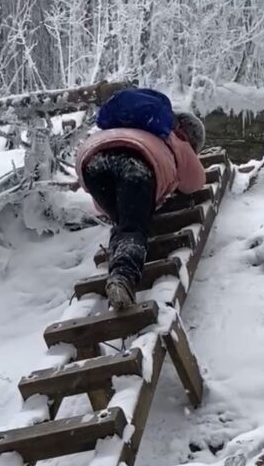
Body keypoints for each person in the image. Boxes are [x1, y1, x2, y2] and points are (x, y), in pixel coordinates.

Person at [76, 88, 206, 310]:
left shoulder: (130, 126)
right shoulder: (175, 137)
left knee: (126, 223)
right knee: (133, 227)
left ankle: (122, 263)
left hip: (91, 161)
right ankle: (123, 278)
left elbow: (102, 206)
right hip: (136, 160)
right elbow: (196, 181)